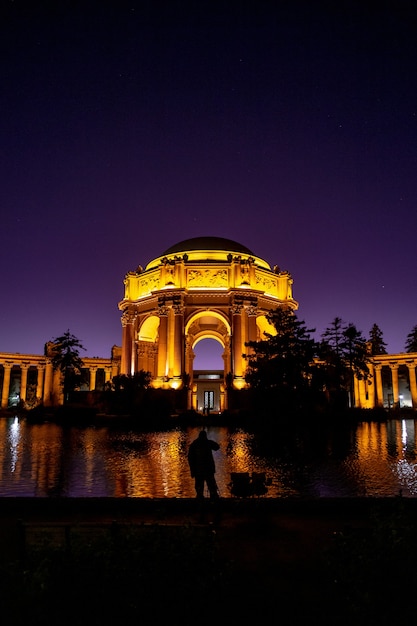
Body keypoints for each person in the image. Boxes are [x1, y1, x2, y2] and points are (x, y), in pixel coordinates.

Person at [188, 430, 220, 499]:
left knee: (199, 487)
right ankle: (213, 498)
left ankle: (200, 498)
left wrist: (192, 471)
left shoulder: (194, 444)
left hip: (199, 470)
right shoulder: (208, 443)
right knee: (211, 486)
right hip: (208, 470)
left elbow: (190, 459)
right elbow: (217, 447)